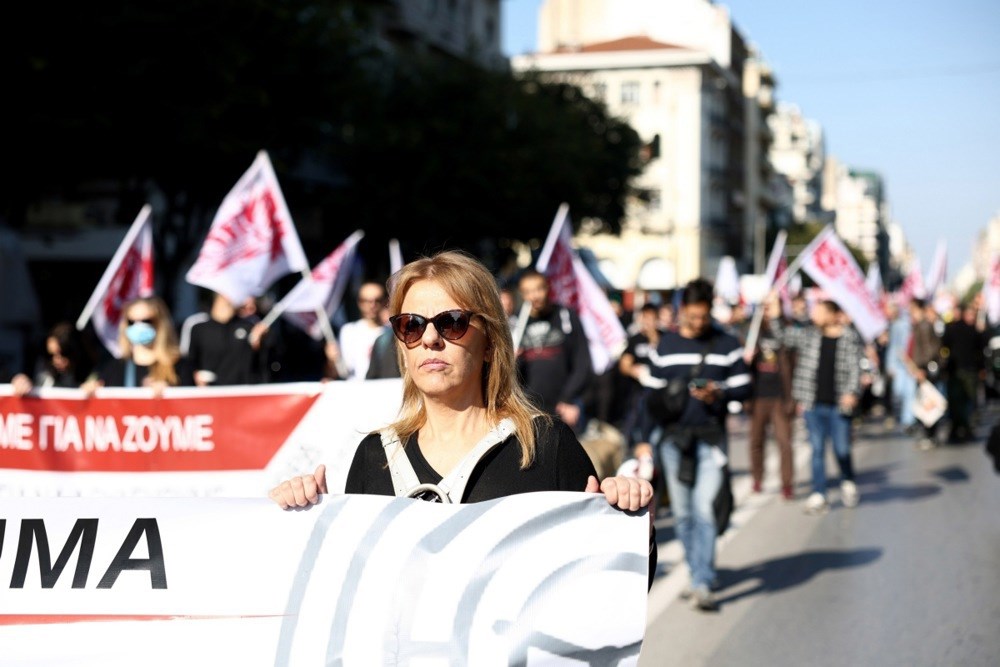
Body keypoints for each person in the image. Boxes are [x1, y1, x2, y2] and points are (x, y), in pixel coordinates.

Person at [269, 251, 656, 580]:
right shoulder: (374, 457)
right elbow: (345, 588)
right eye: (411, 325)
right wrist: (305, 519)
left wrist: (630, 524)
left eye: (451, 322)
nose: (429, 339)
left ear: (489, 341)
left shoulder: (546, 445)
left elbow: (606, 591)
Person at [647, 278, 751, 611]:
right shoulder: (665, 346)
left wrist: (718, 392)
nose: (697, 323)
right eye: (691, 317)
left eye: (703, 316)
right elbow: (649, 395)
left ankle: (703, 581)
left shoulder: (727, 342)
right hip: (673, 441)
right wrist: (642, 440)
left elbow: (744, 386)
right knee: (682, 513)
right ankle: (696, 573)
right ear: (681, 312)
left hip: (711, 439)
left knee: (704, 509)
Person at [767, 296, 862, 514]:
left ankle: (847, 479)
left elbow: (855, 368)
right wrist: (775, 314)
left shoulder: (849, 337)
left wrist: (851, 392)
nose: (814, 314)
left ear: (832, 315)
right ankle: (819, 493)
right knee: (817, 449)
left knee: (841, 448)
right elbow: (783, 336)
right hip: (813, 403)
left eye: (819, 311)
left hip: (839, 405)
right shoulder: (810, 334)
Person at [515, 269, 593, 431]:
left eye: (539, 289)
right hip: (528, 408)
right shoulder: (516, 324)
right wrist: (512, 361)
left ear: (548, 288)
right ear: (522, 294)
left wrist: (569, 399)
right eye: (528, 291)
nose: (534, 296)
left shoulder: (566, 317)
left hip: (563, 407)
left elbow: (582, 361)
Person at [84, 296, 190, 392]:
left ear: (160, 323)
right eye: (131, 322)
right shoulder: (114, 368)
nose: (138, 326)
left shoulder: (180, 366)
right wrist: (90, 389)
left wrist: (169, 392)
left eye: (146, 321)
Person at [745, 316, 796, 500]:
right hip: (758, 398)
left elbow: (793, 366)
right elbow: (743, 366)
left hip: (779, 399)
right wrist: (748, 358)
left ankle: (787, 483)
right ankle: (757, 479)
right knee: (756, 441)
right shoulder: (752, 335)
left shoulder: (785, 335)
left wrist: (792, 399)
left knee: (784, 442)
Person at [185, 292, 269, 386]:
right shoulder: (198, 327)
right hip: (209, 391)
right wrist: (196, 380)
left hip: (242, 390)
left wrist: (260, 344)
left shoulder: (249, 327)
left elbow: (262, 365)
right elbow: (189, 364)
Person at [940, 302, 987, 443]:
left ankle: (959, 429)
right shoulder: (969, 330)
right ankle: (963, 428)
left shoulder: (953, 329)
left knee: (960, 402)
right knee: (965, 401)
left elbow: (944, 346)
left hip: (961, 370)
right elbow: (981, 350)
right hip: (963, 370)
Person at [10, 322, 91, 395]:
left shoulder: (89, 373)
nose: (56, 360)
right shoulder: (41, 367)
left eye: (63, 353)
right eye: (51, 355)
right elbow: (25, 380)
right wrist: (22, 381)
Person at [904, 297, 943, 450]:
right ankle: (929, 434)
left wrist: (921, 368)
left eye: (912, 309)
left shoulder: (924, 325)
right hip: (922, 369)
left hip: (925, 370)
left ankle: (930, 435)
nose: (910, 312)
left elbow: (928, 350)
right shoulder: (919, 325)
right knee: (925, 401)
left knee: (928, 403)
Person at [338, 282, 389, 380]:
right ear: (359, 302)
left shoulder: (392, 333)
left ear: (384, 302)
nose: (372, 305)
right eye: (366, 301)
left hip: (383, 387)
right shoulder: (348, 331)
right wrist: (332, 360)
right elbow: (341, 371)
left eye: (377, 300)